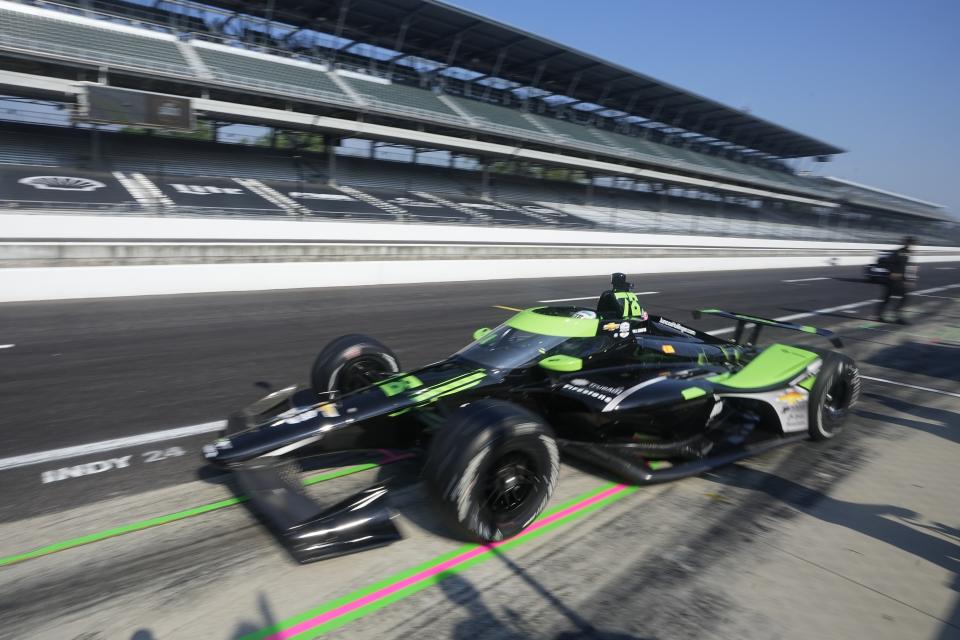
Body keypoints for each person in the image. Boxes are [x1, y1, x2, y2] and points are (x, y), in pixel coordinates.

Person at [876, 236, 916, 324]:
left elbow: (904, 267)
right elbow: (886, 262)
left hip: (899, 279)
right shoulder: (898, 252)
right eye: (910, 243)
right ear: (906, 243)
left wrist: (908, 279)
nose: (911, 246)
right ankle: (893, 317)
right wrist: (892, 272)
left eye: (912, 244)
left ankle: (882, 316)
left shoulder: (907, 253)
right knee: (894, 297)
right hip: (892, 279)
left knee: (892, 297)